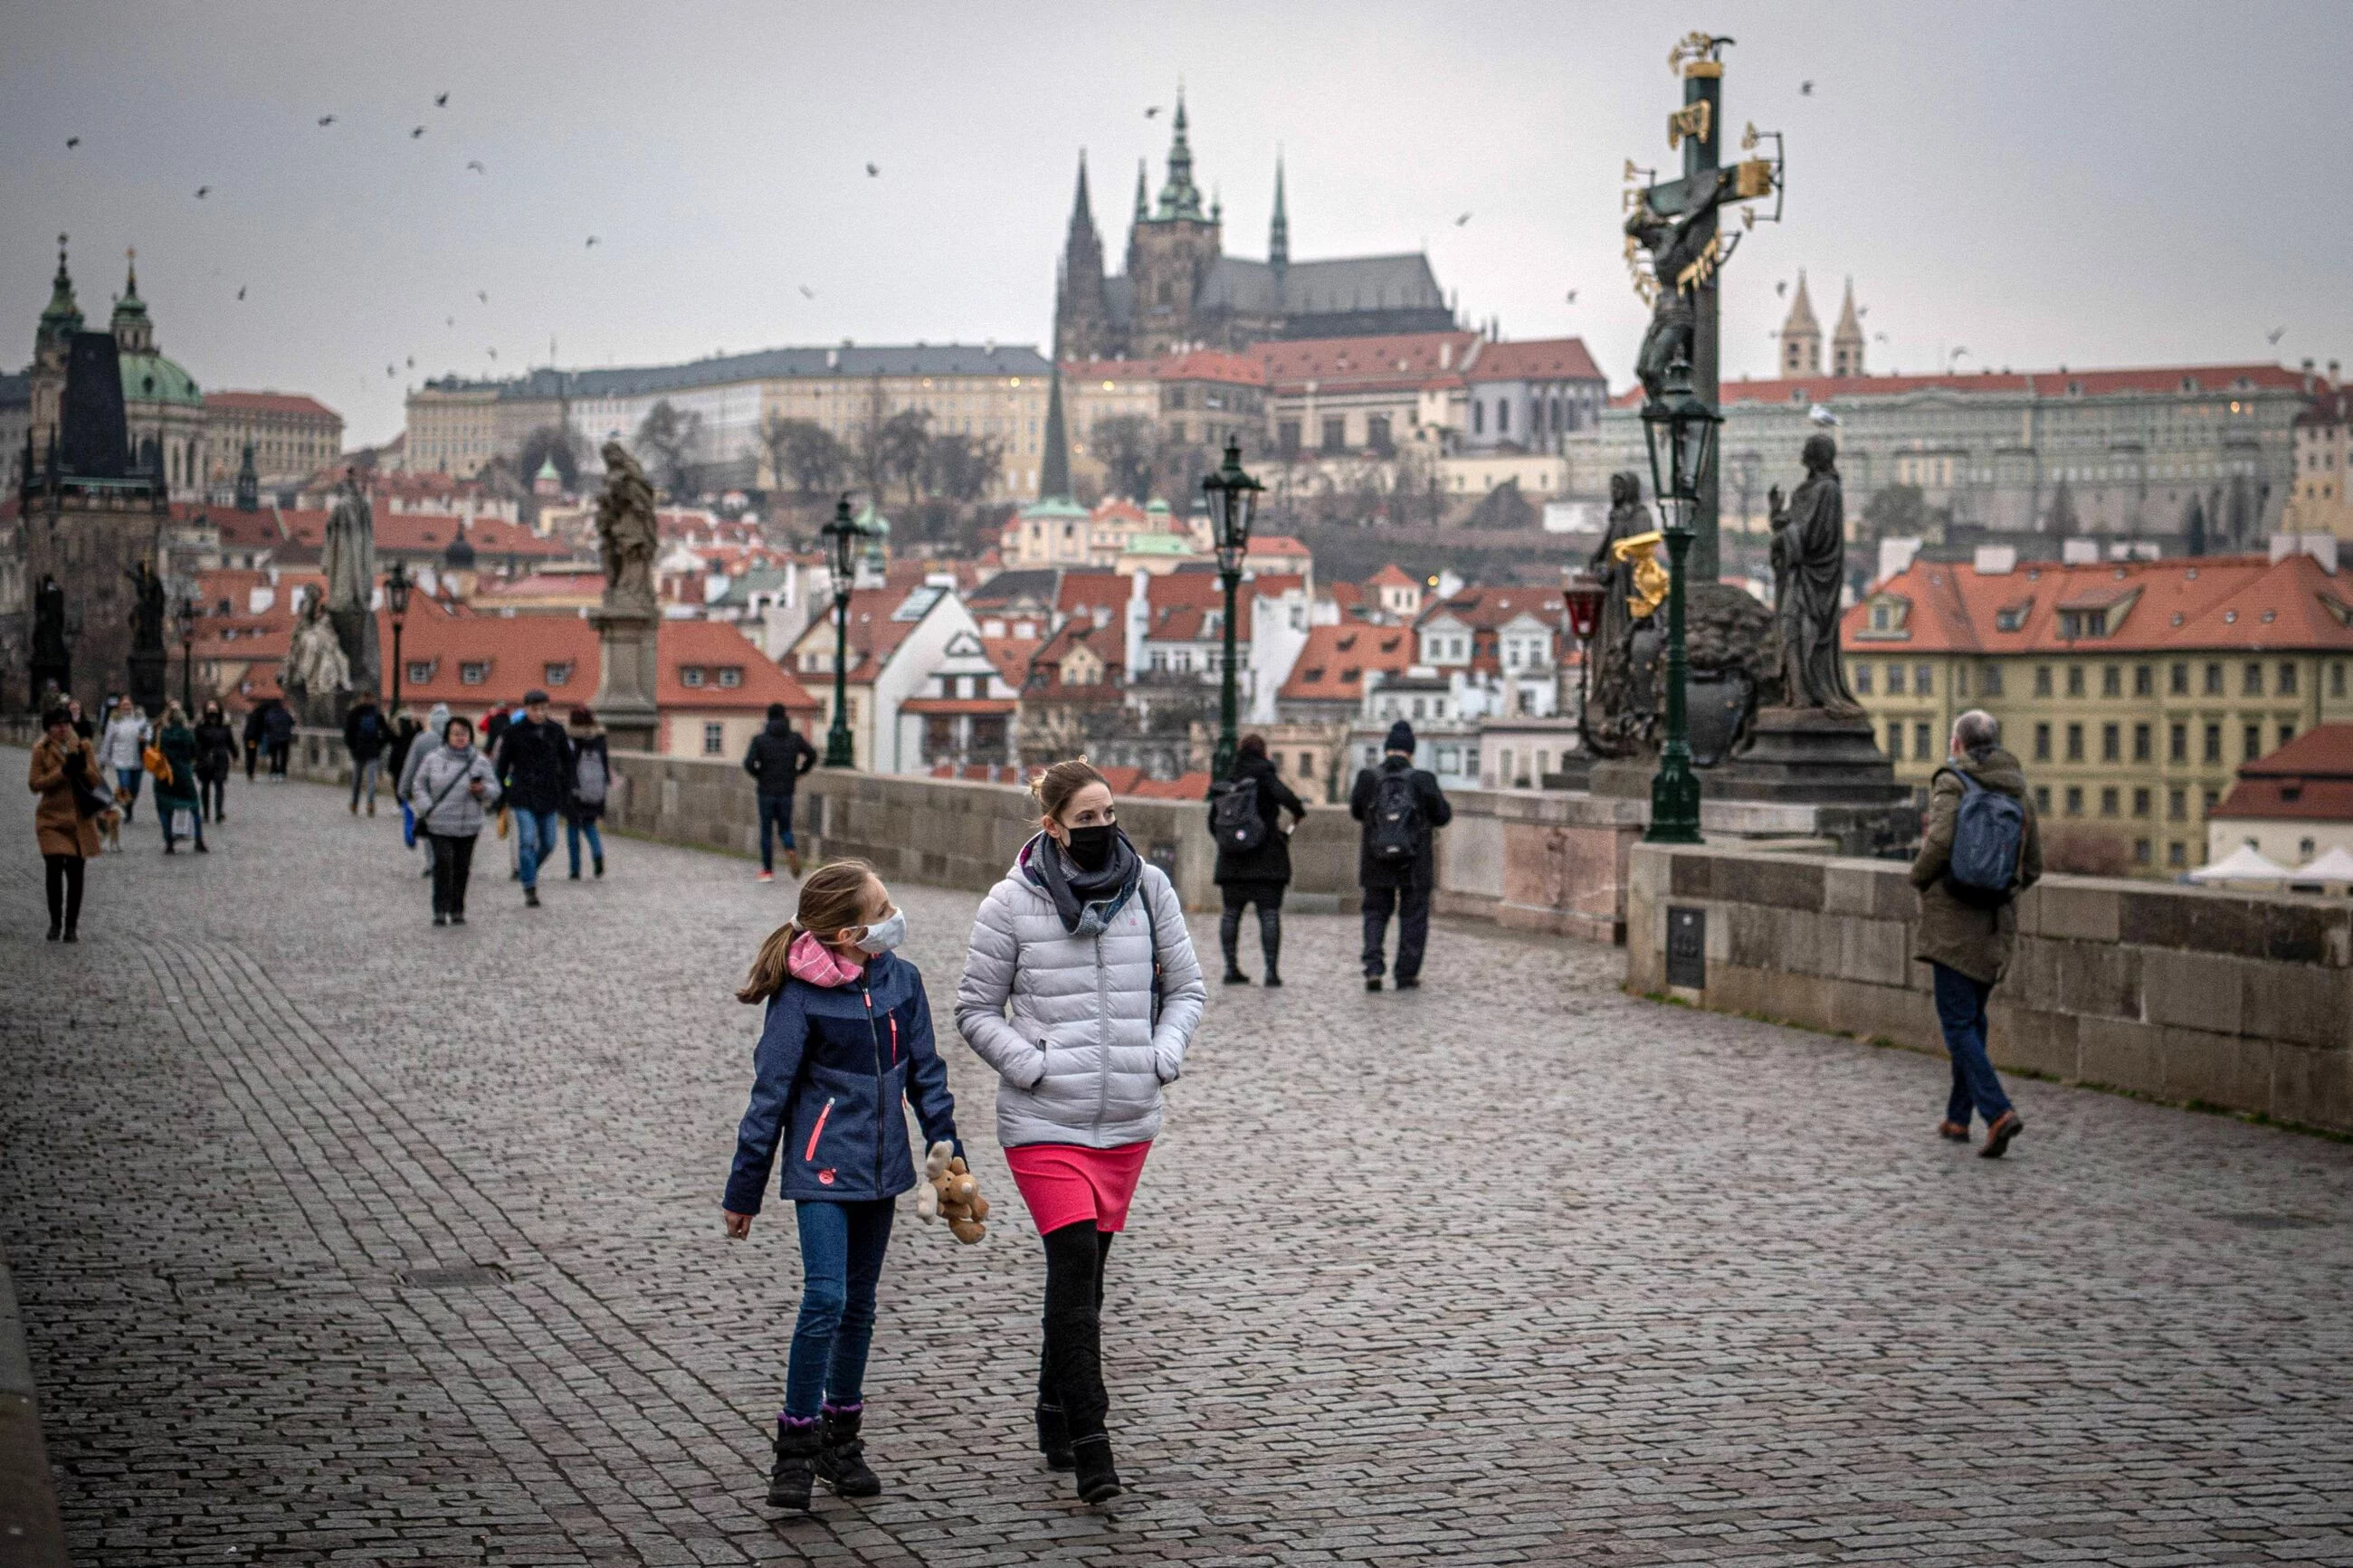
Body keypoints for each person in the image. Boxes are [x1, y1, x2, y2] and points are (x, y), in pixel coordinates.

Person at [956, 759, 1206, 1508]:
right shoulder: (1009, 903)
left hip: (1126, 1117)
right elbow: (974, 1008)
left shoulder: (1150, 889)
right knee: (1070, 1266)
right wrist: (1032, 1067)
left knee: (1086, 1281)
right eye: (1085, 819)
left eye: (1109, 815)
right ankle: (1095, 1444)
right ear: (1052, 826)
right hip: (1043, 1120)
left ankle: (1052, 1408)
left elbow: (1187, 987)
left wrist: (1159, 1056)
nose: (1101, 829)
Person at [722, 860, 962, 1512]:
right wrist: (743, 1191)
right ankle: (795, 1449)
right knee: (825, 1297)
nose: (894, 917)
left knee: (860, 1304)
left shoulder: (903, 982)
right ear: (847, 933)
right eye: (882, 910)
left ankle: (841, 1442)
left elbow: (928, 1079)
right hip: (821, 1169)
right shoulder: (799, 996)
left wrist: (952, 1164)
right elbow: (768, 1096)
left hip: (882, 1172)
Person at [1910, 709, 2043, 1159]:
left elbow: (1940, 843)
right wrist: (1999, 889)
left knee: (1957, 1024)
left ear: (1958, 744)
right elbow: (2034, 867)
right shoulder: (2019, 789)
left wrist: (1918, 877)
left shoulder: (1953, 781)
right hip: (1994, 925)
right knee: (1973, 1021)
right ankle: (1957, 1117)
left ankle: (1998, 1112)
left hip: (1952, 923)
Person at [1349, 720, 1452, 992]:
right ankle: (1405, 974)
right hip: (1414, 860)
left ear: (1387, 750)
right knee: (1413, 916)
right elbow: (1443, 816)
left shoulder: (1367, 778)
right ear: (1411, 751)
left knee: (1375, 912)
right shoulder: (1423, 779)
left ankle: (1373, 968)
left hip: (1376, 858)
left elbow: (1357, 813)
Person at [1209, 733, 1307, 986]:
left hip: (1232, 862)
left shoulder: (1228, 780)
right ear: (1264, 753)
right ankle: (1271, 972)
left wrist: (1231, 842)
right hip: (1267, 860)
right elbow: (1292, 802)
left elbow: (1213, 822)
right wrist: (1291, 823)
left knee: (1231, 914)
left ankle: (1231, 969)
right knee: (1269, 915)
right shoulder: (1266, 776)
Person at [410, 714, 500, 926]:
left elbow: (495, 789)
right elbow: (419, 784)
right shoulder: (433, 759)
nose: (461, 738)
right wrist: (425, 806)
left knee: (462, 867)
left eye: (465, 733)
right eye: (456, 734)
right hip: (439, 823)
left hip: (468, 824)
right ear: (447, 735)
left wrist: (482, 790)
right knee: (443, 864)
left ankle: (457, 909)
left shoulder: (480, 762)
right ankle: (440, 909)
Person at [29, 704, 108, 941]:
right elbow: (35, 784)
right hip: (51, 819)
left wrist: (82, 768)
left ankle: (71, 927)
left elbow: (96, 781)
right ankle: (55, 923)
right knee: (53, 870)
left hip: (79, 820)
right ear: (48, 728)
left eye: (65, 724)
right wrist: (62, 772)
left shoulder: (83, 746)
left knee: (76, 873)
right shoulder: (40, 750)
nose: (62, 729)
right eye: (56, 725)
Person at [494, 689, 569, 908]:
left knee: (549, 842)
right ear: (526, 709)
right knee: (527, 839)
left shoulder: (556, 731)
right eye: (535, 709)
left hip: (549, 794)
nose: (539, 713)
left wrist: (566, 788)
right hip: (522, 794)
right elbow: (502, 765)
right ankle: (529, 885)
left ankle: (529, 870)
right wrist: (500, 793)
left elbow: (567, 761)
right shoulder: (514, 732)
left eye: (543, 709)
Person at [744, 702, 819, 882]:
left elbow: (748, 763)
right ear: (785, 717)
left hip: (766, 791)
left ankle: (767, 871)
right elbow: (812, 755)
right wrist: (800, 772)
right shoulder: (794, 738)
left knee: (766, 831)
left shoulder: (760, 739)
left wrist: (759, 775)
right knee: (785, 828)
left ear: (768, 718)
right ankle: (790, 847)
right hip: (786, 790)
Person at [398, 703, 452, 881]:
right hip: (451, 792)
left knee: (430, 829)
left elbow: (411, 766)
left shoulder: (422, 740)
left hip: (427, 792)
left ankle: (432, 863)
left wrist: (404, 789)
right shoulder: (455, 739)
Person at [152, 700, 206, 854]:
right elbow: (193, 751)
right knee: (193, 806)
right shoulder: (186, 733)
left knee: (165, 807)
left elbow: (152, 747)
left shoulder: (161, 732)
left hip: (164, 774)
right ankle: (199, 840)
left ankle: (169, 842)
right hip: (183, 773)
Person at [563, 706, 609, 879]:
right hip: (595, 787)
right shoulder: (599, 737)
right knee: (590, 825)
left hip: (575, 788)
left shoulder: (571, 739)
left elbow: (566, 763)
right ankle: (597, 854)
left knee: (573, 827)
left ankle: (575, 869)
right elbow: (604, 762)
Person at [99, 696, 150, 823]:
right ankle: (125, 810)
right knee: (124, 785)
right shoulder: (114, 720)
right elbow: (108, 740)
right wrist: (103, 760)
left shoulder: (139, 718)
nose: (126, 707)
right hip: (120, 759)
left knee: (135, 789)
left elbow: (149, 731)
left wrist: (145, 738)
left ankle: (129, 807)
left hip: (137, 759)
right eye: (124, 705)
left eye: (128, 704)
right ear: (120, 706)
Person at [343, 691, 388, 815]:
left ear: (361, 699)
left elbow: (348, 734)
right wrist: (379, 746)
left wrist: (352, 747)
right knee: (371, 780)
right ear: (373, 700)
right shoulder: (377, 714)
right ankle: (370, 804)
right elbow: (386, 733)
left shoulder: (354, 713)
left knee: (356, 779)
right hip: (373, 751)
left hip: (358, 752)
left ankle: (354, 804)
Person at [193, 700, 236, 824]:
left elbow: (230, 741)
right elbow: (196, 743)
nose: (212, 710)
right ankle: (206, 813)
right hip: (205, 758)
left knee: (219, 785)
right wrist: (197, 757)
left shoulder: (224, 726)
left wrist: (234, 754)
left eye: (214, 707)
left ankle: (218, 813)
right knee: (205, 787)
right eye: (210, 708)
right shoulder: (201, 726)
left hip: (220, 758)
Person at [386, 710, 424, 799]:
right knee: (410, 783)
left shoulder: (397, 732)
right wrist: (418, 722)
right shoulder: (414, 733)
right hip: (408, 761)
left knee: (397, 784)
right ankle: (406, 801)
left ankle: (402, 803)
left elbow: (387, 736)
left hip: (396, 763)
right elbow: (421, 732)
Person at [262, 698, 295, 779]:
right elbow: (292, 722)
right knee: (283, 756)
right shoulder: (285, 713)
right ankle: (282, 773)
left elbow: (266, 725)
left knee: (274, 756)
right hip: (285, 738)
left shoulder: (269, 714)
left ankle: (273, 772)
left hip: (273, 738)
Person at [242, 699, 266, 781]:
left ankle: (250, 772)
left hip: (249, 738)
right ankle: (250, 773)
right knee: (251, 755)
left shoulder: (252, 715)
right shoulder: (259, 717)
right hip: (252, 740)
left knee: (250, 755)